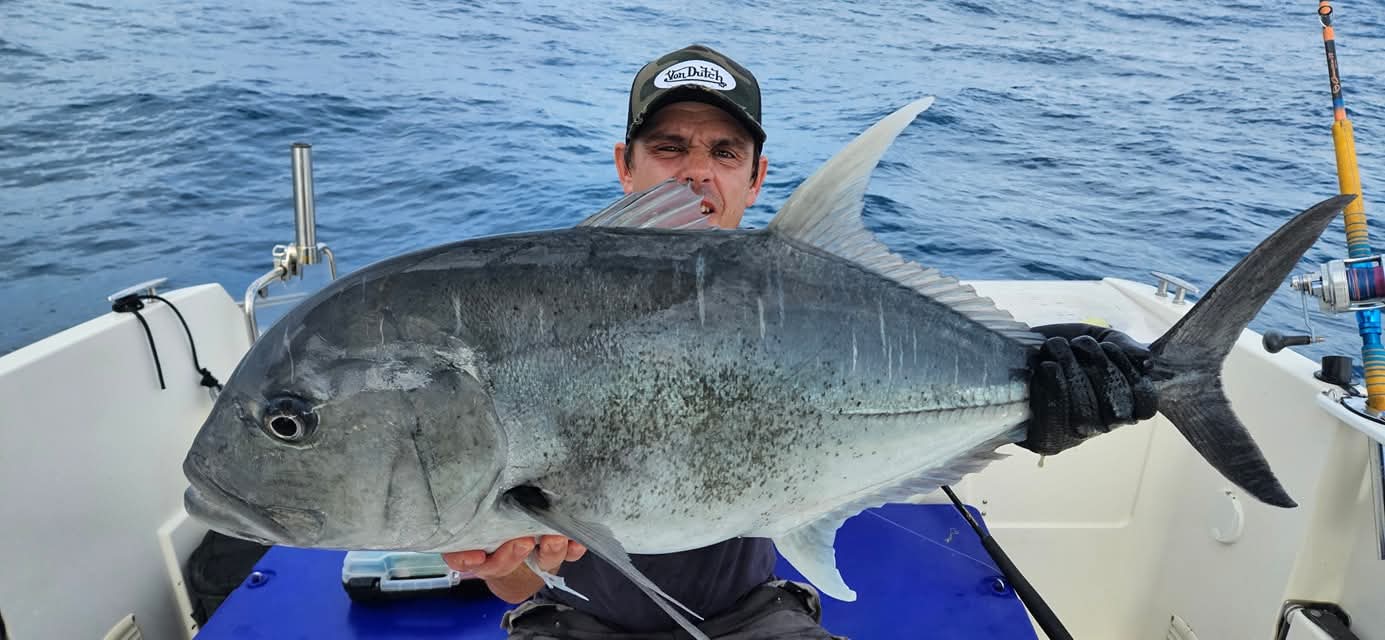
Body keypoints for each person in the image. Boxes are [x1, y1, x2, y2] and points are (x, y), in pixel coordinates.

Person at [442, 44, 1156, 639]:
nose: (696, 170)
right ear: (625, 164)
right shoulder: (537, 307)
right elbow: (515, 582)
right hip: (577, 619)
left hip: (753, 615)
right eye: (668, 147)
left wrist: (1035, 387)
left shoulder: (813, 308)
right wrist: (505, 558)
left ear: (755, 179)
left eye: (725, 152)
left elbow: (912, 382)